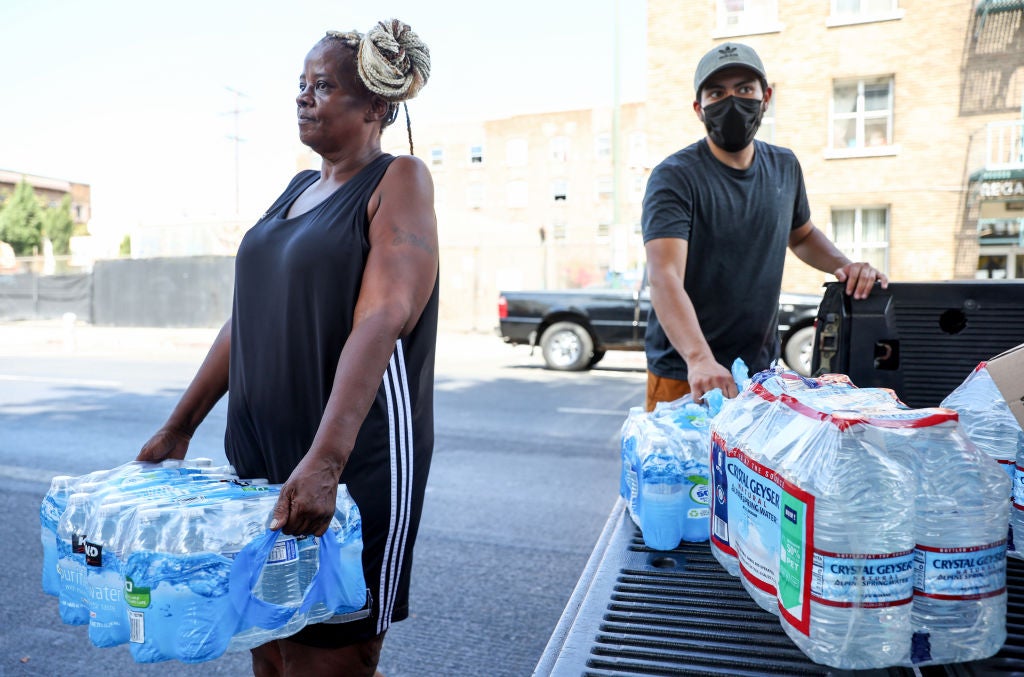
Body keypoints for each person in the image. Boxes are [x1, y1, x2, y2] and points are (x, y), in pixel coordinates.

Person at [136, 20, 437, 677]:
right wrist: (178, 425)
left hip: (348, 466)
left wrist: (327, 459)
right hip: (265, 471)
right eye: (300, 84)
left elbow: (385, 312)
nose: (304, 96)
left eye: (323, 85)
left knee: (325, 660)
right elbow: (244, 320)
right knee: (271, 652)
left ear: (377, 107)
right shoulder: (297, 189)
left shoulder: (399, 180)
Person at [642, 42, 887, 410]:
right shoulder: (675, 177)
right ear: (699, 108)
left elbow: (802, 235)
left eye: (744, 89)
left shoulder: (784, 167)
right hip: (687, 374)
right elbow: (664, 276)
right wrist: (698, 359)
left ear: (765, 97)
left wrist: (843, 265)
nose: (732, 101)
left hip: (758, 376)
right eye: (716, 93)